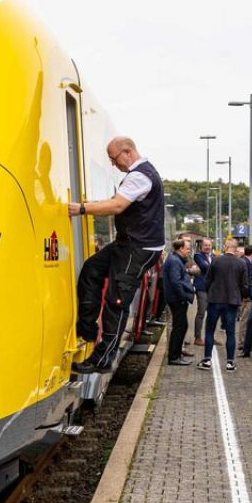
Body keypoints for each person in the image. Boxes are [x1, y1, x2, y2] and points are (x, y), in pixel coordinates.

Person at [68, 137, 166, 371]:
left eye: (114, 159)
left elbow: (117, 206)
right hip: (128, 244)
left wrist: (82, 208)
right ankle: (87, 328)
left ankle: (103, 359)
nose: (114, 164)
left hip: (138, 248)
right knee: (92, 268)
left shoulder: (140, 176)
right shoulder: (141, 173)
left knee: (116, 300)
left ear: (127, 152)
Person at [199, 238, 249, 372]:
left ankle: (207, 360)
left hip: (215, 299)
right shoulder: (241, 263)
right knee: (230, 332)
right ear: (236, 248)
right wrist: (241, 296)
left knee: (210, 330)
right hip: (232, 301)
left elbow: (207, 280)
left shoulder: (216, 260)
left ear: (225, 247)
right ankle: (230, 363)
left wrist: (210, 292)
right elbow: (244, 285)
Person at [161, 239, 195, 366]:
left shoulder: (175, 259)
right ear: (181, 249)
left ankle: (177, 354)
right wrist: (183, 296)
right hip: (177, 299)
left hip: (176, 298)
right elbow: (176, 282)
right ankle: (174, 357)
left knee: (182, 326)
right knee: (179, 327)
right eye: (187, 248)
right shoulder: (175, 261)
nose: (189, 251)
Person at [192, 237, 216, 346]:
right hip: (202, 288)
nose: (207, 247)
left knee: (212, 314)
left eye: (209, 245)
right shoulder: (198, 256)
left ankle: (210, 338)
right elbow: (204, 267)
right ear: (201, 246)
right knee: (201, 312)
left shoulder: (214, 256)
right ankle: (197, 338)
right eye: (205, 245)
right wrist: (215, 268)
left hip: (212, 289)